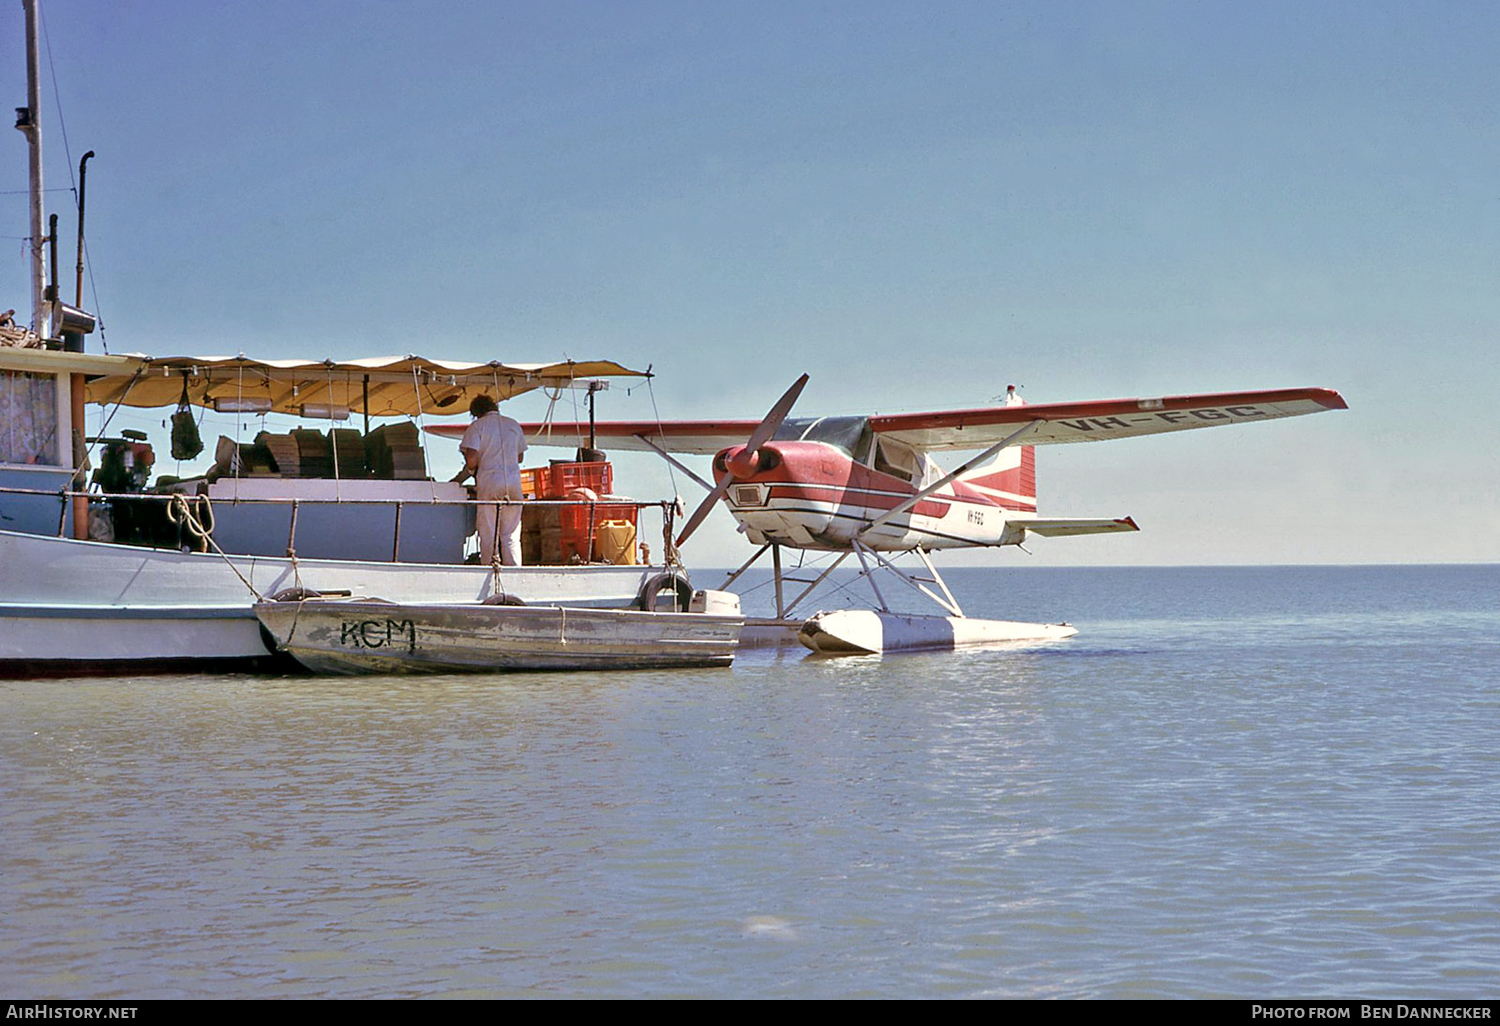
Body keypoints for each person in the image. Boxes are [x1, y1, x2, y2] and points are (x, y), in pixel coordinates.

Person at [452, 394, 527, 566]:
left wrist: (471, 470)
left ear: (475, 413)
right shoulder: (513, 425)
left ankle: (487, 571)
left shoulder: (477, 426)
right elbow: (520, 457)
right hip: (514, 482)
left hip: (490, 481)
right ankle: (515, 574)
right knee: (511, 535)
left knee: (488, 533)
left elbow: (472, 457)